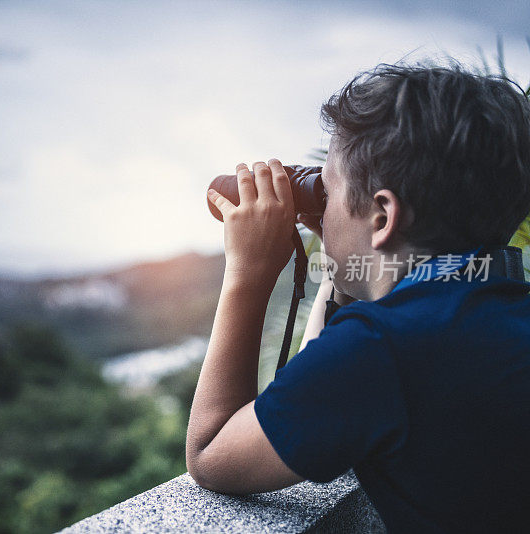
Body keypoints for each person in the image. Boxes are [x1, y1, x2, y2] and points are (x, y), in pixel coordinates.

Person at [185, 61, 530, 532]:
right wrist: (339, 257)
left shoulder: (379, 349)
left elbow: (211, 454)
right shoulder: (502, 306)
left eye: (327, 193)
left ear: (383, 216)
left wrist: (247, 273)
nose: (321, 213)